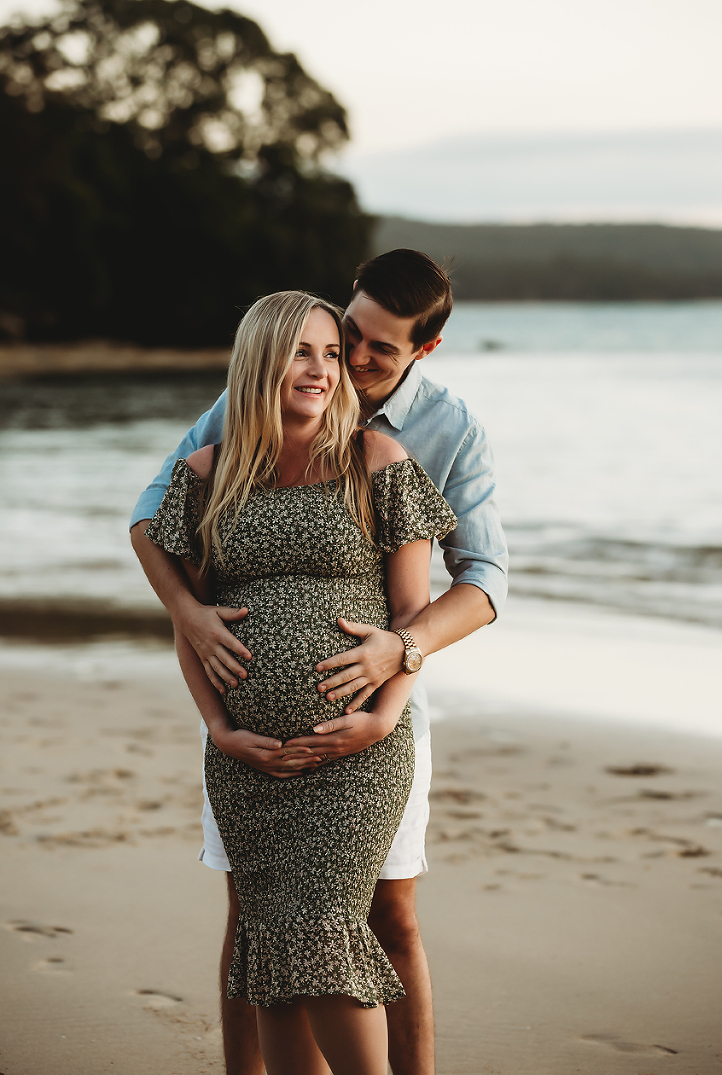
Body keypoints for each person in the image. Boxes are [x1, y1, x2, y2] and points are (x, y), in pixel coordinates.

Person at [130, 249, 509, 1075]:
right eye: (344, 335)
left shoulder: (434, 435)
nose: (347, 360)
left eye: (370, 349)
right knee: (258, 920)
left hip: (375, 713)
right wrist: (194, 624)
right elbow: (151, 523)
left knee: (383, 917)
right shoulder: (236, 419)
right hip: (246, 749)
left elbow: (482, 580)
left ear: (423, 351)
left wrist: (394, 667)